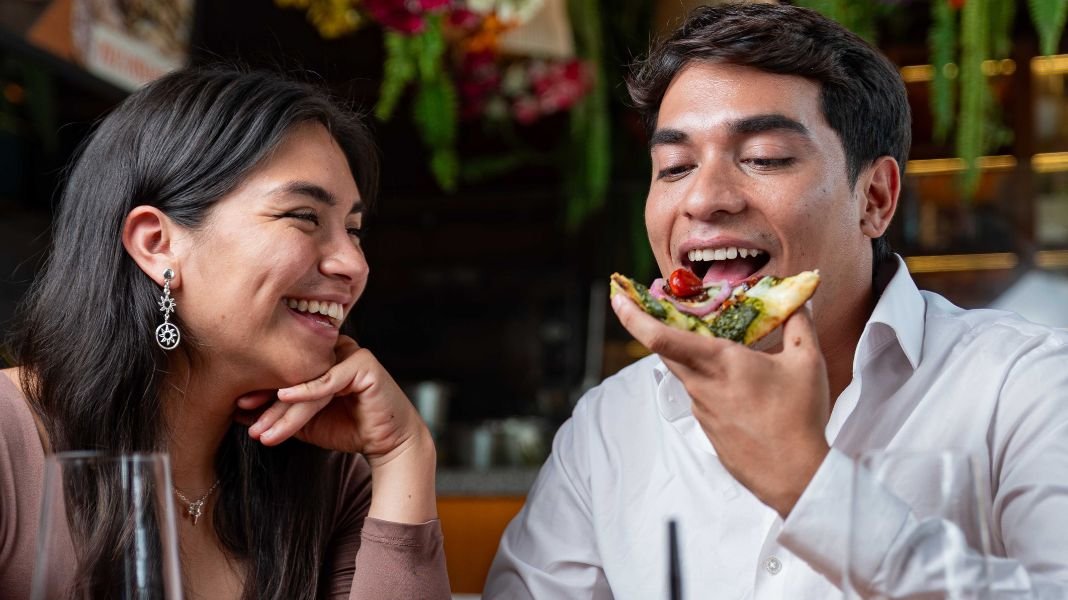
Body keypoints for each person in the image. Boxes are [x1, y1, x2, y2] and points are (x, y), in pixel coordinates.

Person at [485, 4, 1068, 599]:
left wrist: (806, 481)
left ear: (874, 198)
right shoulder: (610, 423)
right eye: (675, 166)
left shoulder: (1027, 386)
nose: (705, 199)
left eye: (763, 157)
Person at [0, 66, 450, 599]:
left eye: (353, 230)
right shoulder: (9, 441)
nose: (354, 263)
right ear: (157, 244)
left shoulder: (330, 481)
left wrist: (405, 454)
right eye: (304, 216)